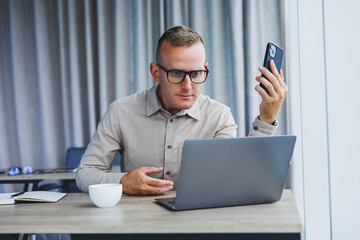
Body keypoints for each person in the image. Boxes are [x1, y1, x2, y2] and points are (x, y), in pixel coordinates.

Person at [76, 25, 287, 195]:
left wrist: (266, 118)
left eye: (196, 74)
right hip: (137, 227)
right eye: (176, 73)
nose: (188, 86)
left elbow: (240, 180)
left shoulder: (219, 117)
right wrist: (123, 181)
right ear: (156, 72)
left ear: (205, 70)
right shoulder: (121, 112)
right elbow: (85, 173)